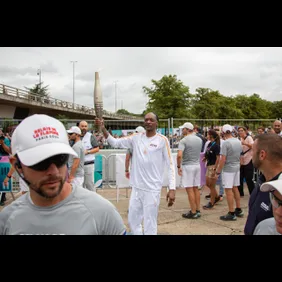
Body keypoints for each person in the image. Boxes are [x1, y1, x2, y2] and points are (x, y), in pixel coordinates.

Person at [0, 114, 126, 235]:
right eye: (40, 162)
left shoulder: (102, 213)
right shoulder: (6, 221)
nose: (53, 171)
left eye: (61, 158)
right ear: (17, 165)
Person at [96, 112, 176, 235]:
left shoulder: (162, 140)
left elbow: (170, 165)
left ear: (156, 123)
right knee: (133, 221)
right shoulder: (136, 138)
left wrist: (172, 188)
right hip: (137, 188)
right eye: (146, 120)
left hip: (152, 189)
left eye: (151, 120)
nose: (148, 122)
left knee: (150, 223)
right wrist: (103, 128)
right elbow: (115, 143)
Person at [244, 133, 282, 235]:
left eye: (253, 151)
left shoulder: (278, 190)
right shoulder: (263, 181)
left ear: (262, 155)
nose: (251, 154)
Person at [215, 124, 243, 221]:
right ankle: (238, 209)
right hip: (236, 167)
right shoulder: (238, 141)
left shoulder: (226, 143)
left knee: (228, 190)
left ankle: (231, 212)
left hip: (228, 169)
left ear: (223, 132)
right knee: (235, 188)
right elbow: (241, 156)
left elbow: (223, 159)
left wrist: (218, 171)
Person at [177, 122, 202, 219]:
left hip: (188, 166)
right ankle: (198, 209)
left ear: (187, 129)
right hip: (197, 165)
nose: (182, 130)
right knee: (195, 188)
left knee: (189, 189)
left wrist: (178, 166)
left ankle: (193, 211)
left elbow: (179, 155)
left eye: (183, 129)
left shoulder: (184, 140)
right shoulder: (199, 139)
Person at [78, 121, 100, 192]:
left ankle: (93, 201)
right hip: (78, 165)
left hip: (88, 165)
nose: (84, 128)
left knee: (89, 184)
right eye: (82, 126)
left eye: (85, 126)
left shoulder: (91, 136)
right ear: (79, 126)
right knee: (79, 185)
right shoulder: (75, 136)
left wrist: (88, 152)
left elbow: (97, 148)